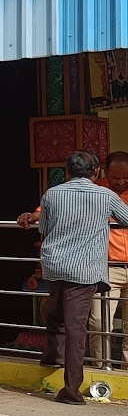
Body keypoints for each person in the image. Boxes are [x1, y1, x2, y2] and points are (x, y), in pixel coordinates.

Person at [16, 149, 128, 403]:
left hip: (55, 266)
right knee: (77, 327)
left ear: (68, 171)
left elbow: (45, 227)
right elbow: (126, 218)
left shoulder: (52, 194)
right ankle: (71, 389)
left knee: (56, 314)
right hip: (84, 270)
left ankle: (52, 357)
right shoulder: (105, 195)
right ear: (96, 172)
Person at [91, 150, 128, 367]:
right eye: (116, 178)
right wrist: (35, 215)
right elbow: (61, 204)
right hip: (106, 269)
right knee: (99, 324)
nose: (121, 182)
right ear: (105, 171)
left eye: (126, 178)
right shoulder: (95, 191)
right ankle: (100, 370)